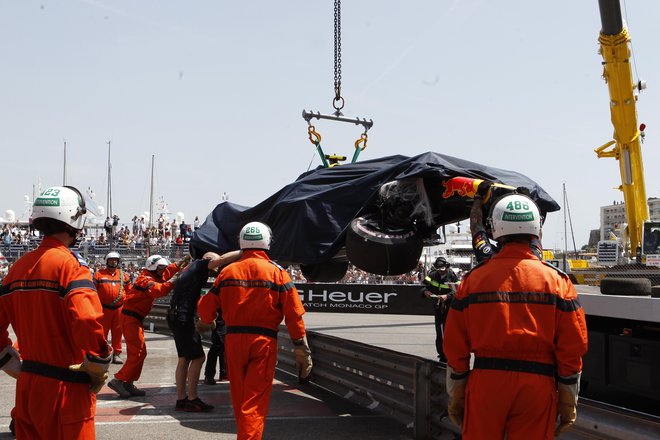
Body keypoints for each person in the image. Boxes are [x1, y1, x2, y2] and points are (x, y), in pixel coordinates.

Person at [444, 193, 588, 439]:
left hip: (486, 383)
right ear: (536, 229)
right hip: (537, 385)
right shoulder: (557, 281)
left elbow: (454, 344)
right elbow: (573, 346)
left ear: (496, 228)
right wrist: (567, 399)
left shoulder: (473, 280)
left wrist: (457, 391)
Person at [0, 185, 112, 439]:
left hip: (28, 387)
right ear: (74, 218)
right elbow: (85, 317)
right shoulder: (71, 266)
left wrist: (8, 361)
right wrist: (98, 360)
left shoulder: (18, 267)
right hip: (66, 390)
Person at [196, 221, 313, 440]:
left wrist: (206, 321)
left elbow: (205, 309)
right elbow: (294, 315)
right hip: (263, 342)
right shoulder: (278, 274)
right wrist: (301, 348)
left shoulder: (227, 272)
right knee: (255, 402)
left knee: (241, 400)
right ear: (267, 241)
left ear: (242, 241)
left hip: (233, 341)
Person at [167, 250, 240, 412]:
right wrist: (243, 251)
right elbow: (219, 259)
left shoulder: (190, 269)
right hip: (183, 317)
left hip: (175, 316)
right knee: (199, 358)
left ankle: (181, 400)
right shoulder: (200, 265)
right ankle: (192, 399)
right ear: (208, 260)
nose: (217, 269)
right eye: (215, 265)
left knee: (184, 358)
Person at [108, 254, 187, 398]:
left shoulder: (154, 274)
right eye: (161, 267)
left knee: (140, 353)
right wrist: (177, 278)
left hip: (134, 319)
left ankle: (128, 382)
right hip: (130, 319)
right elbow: (160, 291)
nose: (164, 270)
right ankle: (119, 380)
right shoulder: (145, 279)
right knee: (137, 353)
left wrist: (182, 262)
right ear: (153, 267)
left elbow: (168, 271)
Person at [93, 251, 132, 364]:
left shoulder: (124, 276)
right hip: (103, 309)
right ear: (107, 261)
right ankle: (103, 353)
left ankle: (117, 354)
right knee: (102, 332)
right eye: (111, 260)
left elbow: (130, 292)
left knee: (118, 332)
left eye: (115, 260)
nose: (113, 261)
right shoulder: (99, 274)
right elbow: (93, 291)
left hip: (119, 309)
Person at [421, 256, 459, 362]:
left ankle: (450, 353)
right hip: (438, 307)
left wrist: (447, 296)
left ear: (446, 267)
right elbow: (423, 286)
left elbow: (458, 290)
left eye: (442, 269)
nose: (441, 272)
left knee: (449, 331)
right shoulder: (432, 275)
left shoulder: (452, 275)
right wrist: (425, 292)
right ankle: (442, 354)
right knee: (439, 331)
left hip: (450, 307)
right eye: (439, 270)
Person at [204, 310, 228, 385]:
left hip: (226, 317)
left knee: (223, 346)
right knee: (218, 345)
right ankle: (209, 375)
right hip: (219, 318)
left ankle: (223, 374)